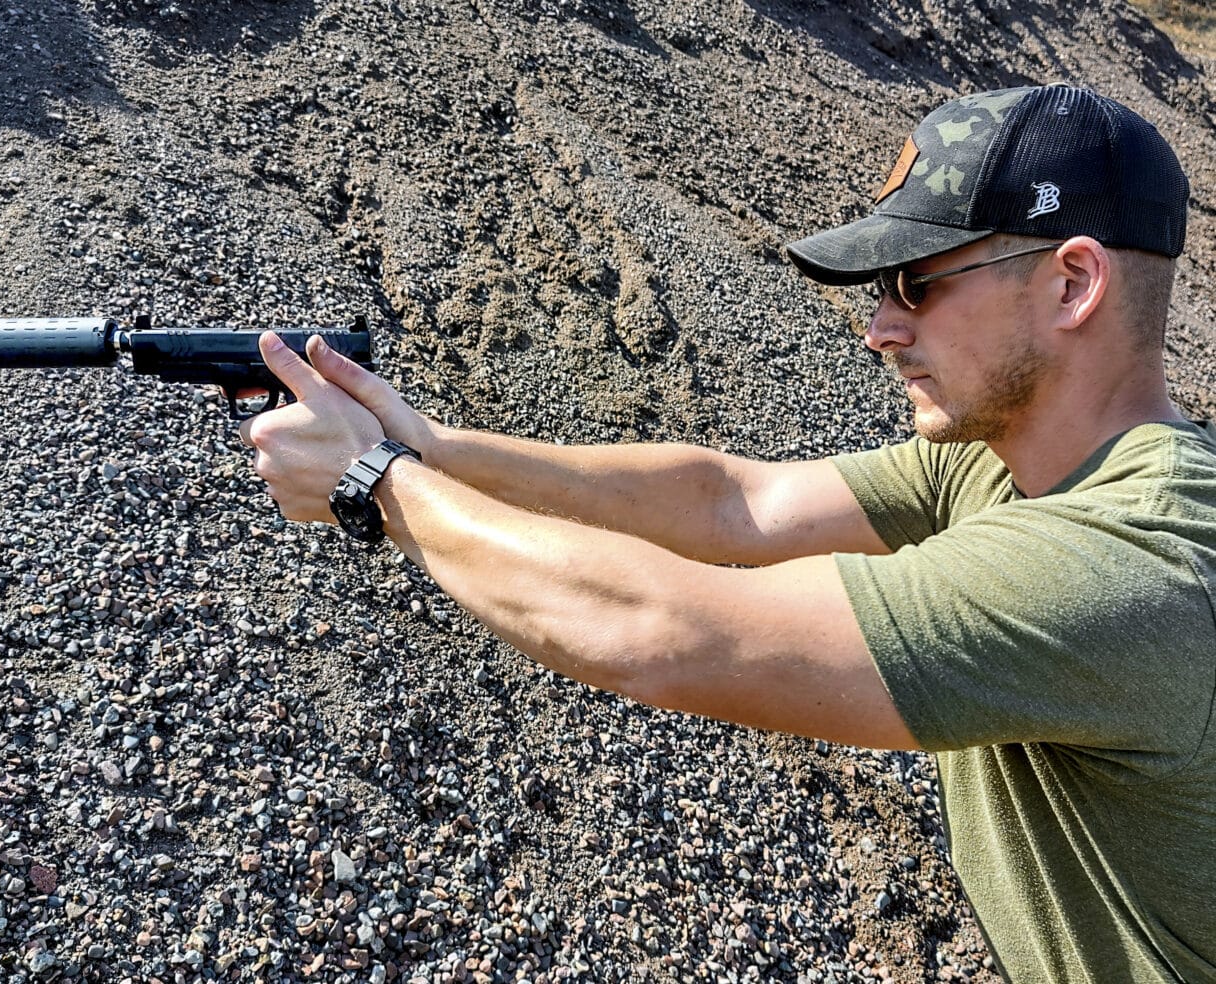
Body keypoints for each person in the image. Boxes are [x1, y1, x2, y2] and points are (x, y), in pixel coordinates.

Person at [238, 85, 1216, 981]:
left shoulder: (1127, 562)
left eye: (914, 283)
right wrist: (434, 450)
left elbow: (667, 633)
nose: (877, 327)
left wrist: (375, 483)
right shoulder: (1007, 459)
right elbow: (729, 505)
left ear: (1070, 283)